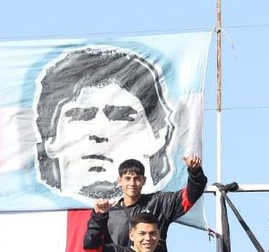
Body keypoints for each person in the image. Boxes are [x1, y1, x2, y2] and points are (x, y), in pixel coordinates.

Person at [33, 46, 180, 203]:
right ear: (50, 138)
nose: (99, 134)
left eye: (121, 116)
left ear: (159, 135)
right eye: (82, 115)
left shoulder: (163, 210)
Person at [89, 156, 207, 252]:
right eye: (128, 179)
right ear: (119, 181)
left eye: (137, 179)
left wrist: (195, 172)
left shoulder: (159, 203)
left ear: (144, 181)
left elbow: (191, 196)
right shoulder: (109, 214)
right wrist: (98, 216)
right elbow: (94, 249)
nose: (132, 183)